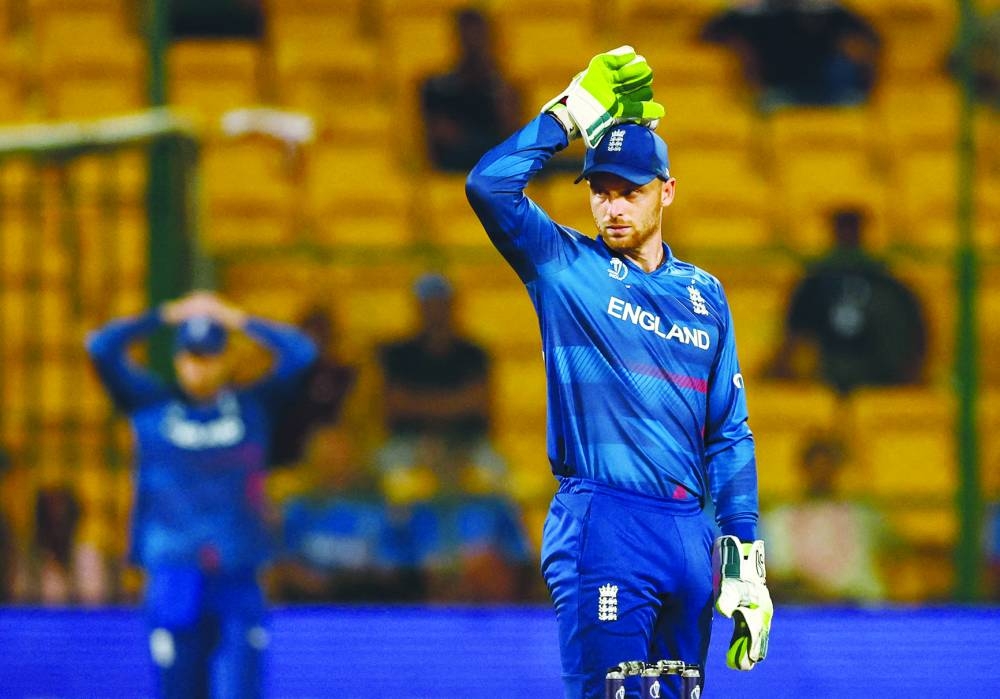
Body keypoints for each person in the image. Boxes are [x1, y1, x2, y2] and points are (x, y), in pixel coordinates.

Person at [466, 46, 772, 698]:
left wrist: (744, 561)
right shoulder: (562, 266)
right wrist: (570, 112)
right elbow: (488, 184)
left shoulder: (705, 294)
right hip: (605, 522)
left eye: (629, 191)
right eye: (600, 191)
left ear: (667, 192)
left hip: (691, 536)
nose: (611, 207)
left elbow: (729, 434)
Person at [85, 290, 317, 699]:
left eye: (209, 356)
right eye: (191, 356)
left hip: (237, 570)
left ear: (225, 360)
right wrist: (167, 314)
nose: (199, 368)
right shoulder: (150, 406)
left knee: (239, 689)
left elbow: (302, 353)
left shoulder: (252, 407)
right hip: (173, 570)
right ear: (178, 360)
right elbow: (100, 347)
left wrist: (235, 317)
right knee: (178, 689)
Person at [764, 207, 928, 394]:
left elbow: (914, 339)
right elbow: (791, 340)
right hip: (827, 378)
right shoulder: (815, 281)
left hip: (876, 380)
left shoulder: (886, 281)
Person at [375, 272, 507, 499]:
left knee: (496, 472)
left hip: (466, 444)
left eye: (440, 304)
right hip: (411, 444)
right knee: (386, 469)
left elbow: (479, 404)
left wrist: (419, 403)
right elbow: (394, 405)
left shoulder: (474, 354)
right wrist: (455, 403)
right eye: (429, 304)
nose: (435, 311)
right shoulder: (398, 354)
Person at [270, 425, 420, 603]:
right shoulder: (298, 509)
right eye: (328, 461)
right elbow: (283, 563)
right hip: (310, 605)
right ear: (313, 463)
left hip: (367, 604)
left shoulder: (378, 510)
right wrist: (315, 584)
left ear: (355, 462)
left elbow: (392, 569)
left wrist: (354, 581)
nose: (336, 468)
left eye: (342, 459)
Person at [760, 434, 889, 603]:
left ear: (838, 470)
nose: (821, 473)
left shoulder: (864, 517)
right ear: (803, 468)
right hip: (802, 611)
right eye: (815, 466)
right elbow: (777, 576)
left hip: (858, 610)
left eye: (828, 466)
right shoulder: (777, 520)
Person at [701, 0, 881, 111]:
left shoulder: (827, 8)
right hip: (775, 91)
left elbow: (872, 38)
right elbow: (706, 34)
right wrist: (740, 48)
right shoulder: (754, 9)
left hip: (828, 92)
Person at [419, 6, 523, 172]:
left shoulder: (502, 88)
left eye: (480, 37)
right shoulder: (437, 89)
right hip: (456, 167)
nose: (474, 43)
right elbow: (444, 140)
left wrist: (496, 86)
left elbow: (512, 135)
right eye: (469, 36)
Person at [268, 305, 357, 468]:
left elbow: (351, 420)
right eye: (310, 336)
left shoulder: (344, 375)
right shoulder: (283, 378)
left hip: (332, 457)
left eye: (322, 334)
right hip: (286, 457)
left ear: (332, 338)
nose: (316, 342)